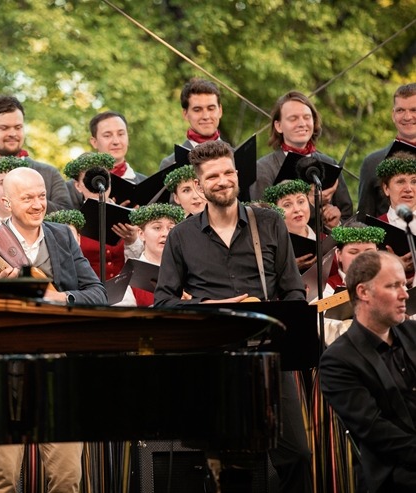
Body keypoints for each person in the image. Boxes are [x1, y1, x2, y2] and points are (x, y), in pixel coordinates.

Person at [153, 140, 312, 493]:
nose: (223, 180)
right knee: (225, 464)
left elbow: (295, 291)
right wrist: (207, 309)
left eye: (228, 172)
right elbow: (163, 302)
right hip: (214, 360)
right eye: (213, 176)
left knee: (297, 455)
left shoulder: (269, 222)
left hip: (268, 355)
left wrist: (276, 319)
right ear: (197, 186)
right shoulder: (181, 236)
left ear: (237, 175)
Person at [0, 167, 106, 493]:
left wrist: (63, 297)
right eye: (27, 197)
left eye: (41, 196)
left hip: (59, 370)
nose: (37, 204)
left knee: (68, 478)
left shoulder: (62, 236)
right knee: (2, 481)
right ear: (5, 201)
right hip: (4, 377)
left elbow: (97, 293)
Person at [319, 250, 416, 492]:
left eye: (404, 284)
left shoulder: (413, 333)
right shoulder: (338, 360)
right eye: (394, 286)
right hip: (396, 476)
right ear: (363, 292)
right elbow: (376, 431)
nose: (405, 294)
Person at [249, 90, 353, 229]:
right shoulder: (263, 168)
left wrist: (336, 223)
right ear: (278, 126)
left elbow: (348, 216)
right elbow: (262, 221)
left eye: (307, 117)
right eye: (293, 119)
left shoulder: (329, 163)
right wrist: (312, 203)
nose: (302, 123)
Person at [63, 152, 141, 280]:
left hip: (126, 294)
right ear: (78, 186)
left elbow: (143, 266)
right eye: (90, 179)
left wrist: (132, 240)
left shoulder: (129, 215)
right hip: (89, 294)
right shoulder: (71, 222)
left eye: (103, 178)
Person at [358, 83, 416, 218]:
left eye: (414, 110)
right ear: (393, 114)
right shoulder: (372, 162)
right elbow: (363, 219)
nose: (407, 117)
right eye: (401, 110)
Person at [320, 224, 384, 345]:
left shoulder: (390, 282)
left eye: (369, 252)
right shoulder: (326, 288)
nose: (362, 258)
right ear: (338, 255)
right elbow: (328, 331)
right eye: (353, 252)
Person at [67, 111, 146, 207]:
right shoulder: (73, 187)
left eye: (121, 134)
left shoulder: (146, 184)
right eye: (107, 136)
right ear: (94, 142)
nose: (116, 141)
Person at [115, 203, 185, 307]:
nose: (165, 234)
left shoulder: (188, 272)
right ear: (141, 234)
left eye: (171, 228)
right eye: (157, 228)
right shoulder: (127, 277)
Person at [159, 78, 224, 170]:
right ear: (185, 114)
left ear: (220, 111)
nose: (206, 116)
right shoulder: (171, 164)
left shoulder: (237, 156)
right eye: (197, 110)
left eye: (211, 108)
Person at [263, 179, 318, 271]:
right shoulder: (270, 249)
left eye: (301, 201)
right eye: (287, 205)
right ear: (275, 211)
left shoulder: (324, 239)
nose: (296, 209)